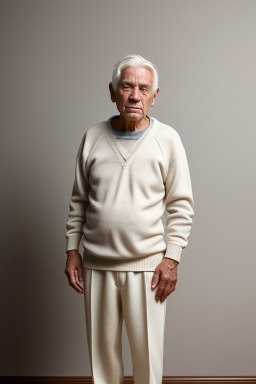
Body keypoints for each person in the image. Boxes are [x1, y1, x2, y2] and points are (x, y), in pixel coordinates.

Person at [64, 54, 194, 384]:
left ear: (154, 95)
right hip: (97, 266)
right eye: (127, 86)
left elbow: (181, 206)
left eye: (143, 88)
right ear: (112, 92)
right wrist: (72, 250)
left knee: (147, 362)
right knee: (102, 361)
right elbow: (78, 201)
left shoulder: (168, 140)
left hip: (149, 269)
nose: (135, 95)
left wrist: (172, 260)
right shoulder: (92, 137)